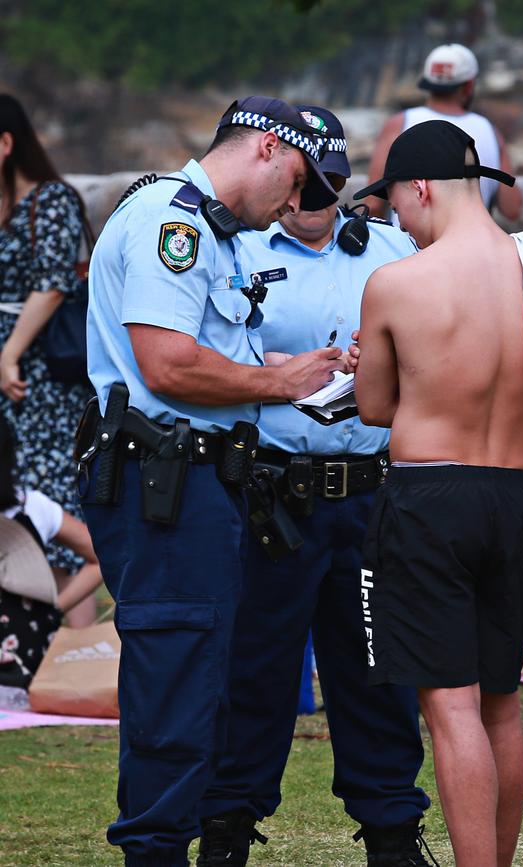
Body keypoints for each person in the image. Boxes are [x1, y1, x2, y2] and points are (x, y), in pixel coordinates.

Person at [79, 95, 346, 867]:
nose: (296, 205)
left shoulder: (219, 235)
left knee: (201, 686)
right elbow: (167, 363)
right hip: (166, 482)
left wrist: (307, 375)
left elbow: (208, 359)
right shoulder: (176, 220)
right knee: (175, 686)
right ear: (265, 148)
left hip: (200, 483)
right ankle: (155, 851)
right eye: (296, 182)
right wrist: (278, 386)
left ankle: (170, 842)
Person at [198, 106, 435, 867]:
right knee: (255, 670)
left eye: (331, 188)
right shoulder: (231, 250)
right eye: (306, 187)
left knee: (376, 669)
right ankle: (228, 826)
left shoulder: (392, 251)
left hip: (367, 490)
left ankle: (392, 831)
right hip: (273, 492)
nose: (313, 203)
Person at [348, 119, 523, 867]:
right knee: (501, 702)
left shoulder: (396, 282)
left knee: (450, 707)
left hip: (428, 500)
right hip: (515, 496)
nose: (396, 221)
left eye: (395, 206)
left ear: (420, 188)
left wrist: (369, 361)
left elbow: (375, 409)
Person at [0, 94, 94, 579]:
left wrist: (8, 355)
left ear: (6, 143)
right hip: (11, 374)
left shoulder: (51, 200)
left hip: (42, 376)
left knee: (50, 507)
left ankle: (74, 647)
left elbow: (54, 283)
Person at [0, 411, 102, 688]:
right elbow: (102, 556)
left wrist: (56, 608)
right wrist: (53, 610)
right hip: (28, 656)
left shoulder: (32, 506)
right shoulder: (31, 505)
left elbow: (100, 556)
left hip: (18, 661)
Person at [364, 43, 522, 222]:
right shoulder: (489, 130)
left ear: (428, 82)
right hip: (469, 245)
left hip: (409, 247)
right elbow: (512, 208)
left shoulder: (398, 124)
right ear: (469, 85)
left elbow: (373, 204)